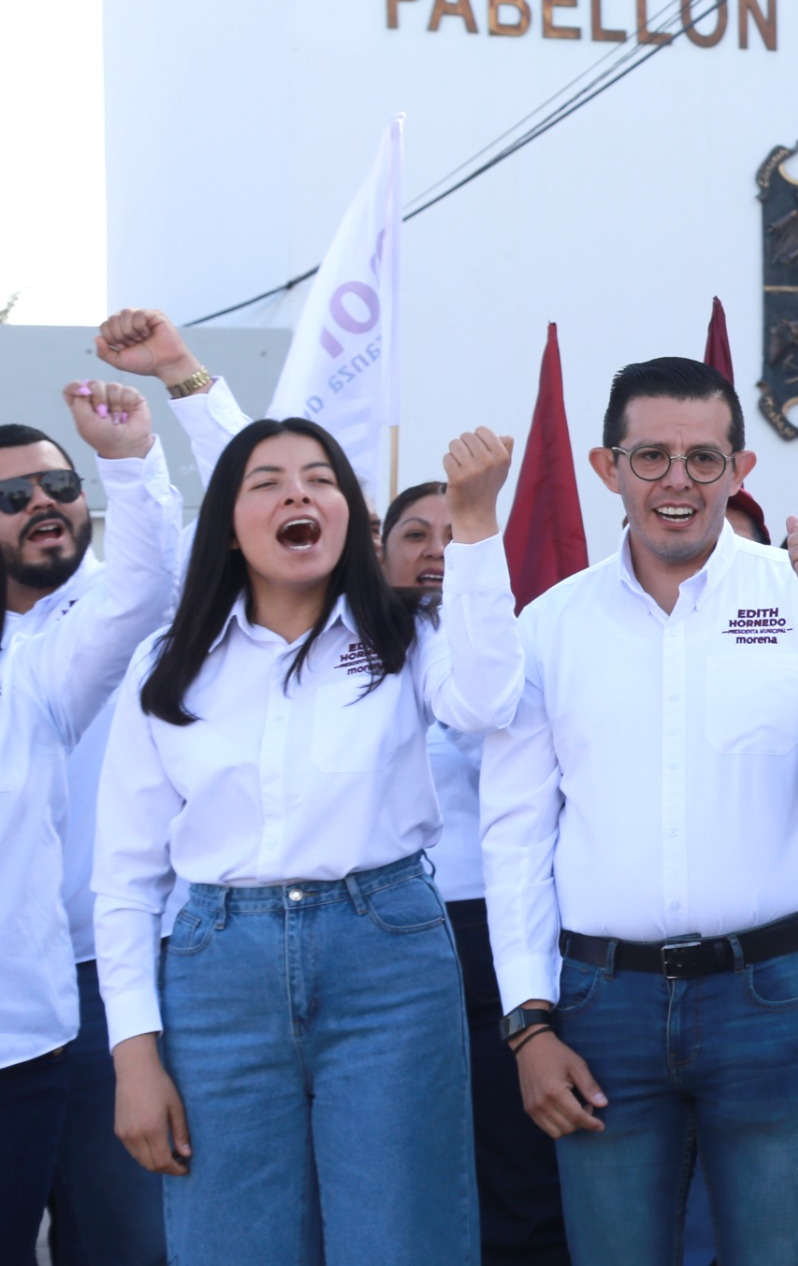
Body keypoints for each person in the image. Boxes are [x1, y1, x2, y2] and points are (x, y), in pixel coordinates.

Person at [475, 357, 798, 1266]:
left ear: (741, 470)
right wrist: (527, 1023)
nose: (677, 482)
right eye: (650, 457)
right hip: (601, 1005)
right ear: (607, 469)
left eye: (702, 459)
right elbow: (516, 835)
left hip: (774, 992)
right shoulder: (551, 624)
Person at [93, 419, 524, 1264]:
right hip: (218, 974)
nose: (298, 493)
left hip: (388, 960)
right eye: (267, 482)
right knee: (230, 1242)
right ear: (226, 522)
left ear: (345, 514)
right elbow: (124, 878)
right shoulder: (166, 664)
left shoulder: (408, 637)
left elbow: (488, 701)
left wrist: (476, 525)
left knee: (404, 1238)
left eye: (320, 478)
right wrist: (135, 1056)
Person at [0, 386, 181, 1266]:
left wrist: (131, 457)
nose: (41, 504)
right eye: (12, 497)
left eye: (58, 486)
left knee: (125, 1241)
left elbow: (152, 578)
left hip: (112, 986)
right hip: (22, 999)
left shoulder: (114, 627)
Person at [375, 480, 575, 1266]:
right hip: (384, 932)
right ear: (379, 552)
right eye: (415, 536)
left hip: (496, 928)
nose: (434, 553)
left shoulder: (512, 650)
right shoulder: (336, 653)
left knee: (515, 1160)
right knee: (400, 1157)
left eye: (452, 536)